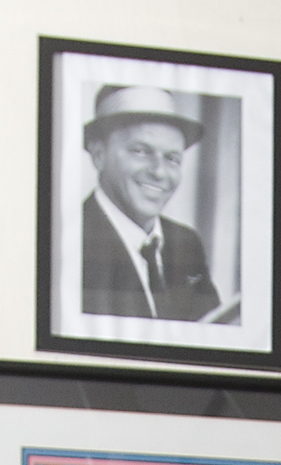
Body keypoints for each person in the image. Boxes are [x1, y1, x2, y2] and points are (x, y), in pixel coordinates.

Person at [76, 83, 225, 322]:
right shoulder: (70, 240)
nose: (159, 172)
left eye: (172, 158)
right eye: (140, 151)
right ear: (99, 155)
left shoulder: (187, 244)